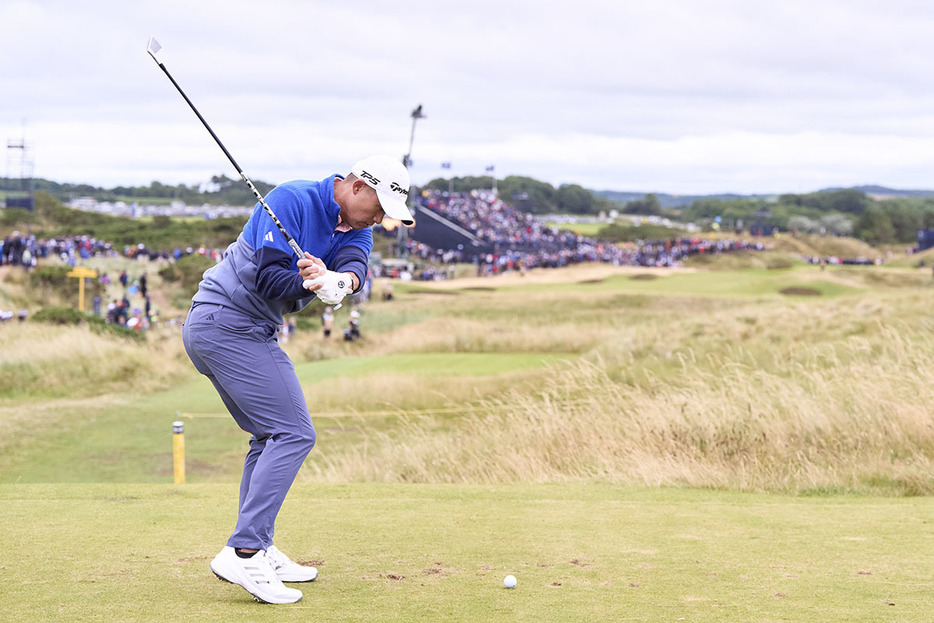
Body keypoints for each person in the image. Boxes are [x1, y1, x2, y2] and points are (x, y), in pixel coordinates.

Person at [182, 155, 413, 605]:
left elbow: (355, 268)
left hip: (245, 328)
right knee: (294, 433)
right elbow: (269, 279)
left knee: (268, 435)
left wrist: (338, 282)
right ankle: (244, 551)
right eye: (380, 206)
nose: (381, 218)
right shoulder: (291, 199)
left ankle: (259, 545)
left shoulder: (358, 226)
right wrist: (308, 284)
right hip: (223, 322)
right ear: (357, 187)